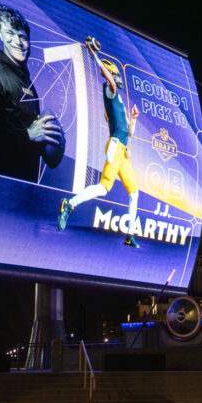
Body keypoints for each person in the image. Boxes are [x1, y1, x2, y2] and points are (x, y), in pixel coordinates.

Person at [58, 37, 141, 247]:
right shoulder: (109, 90)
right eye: (114, 75)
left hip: (123, 152)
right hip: (115, 146)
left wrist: (134, 119)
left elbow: (129, 133)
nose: (117, 79)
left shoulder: (119, 100)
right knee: (104, 188)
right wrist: (94, 56)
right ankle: (69, 203)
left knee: (134, 192)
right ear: (110, 75)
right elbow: (109, 79)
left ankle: (130, 235)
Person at [0, 4, 63, 181]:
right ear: (0, 33)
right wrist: (27, 135)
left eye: (22, 36)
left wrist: (53, 139)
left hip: (23, 189)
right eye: (10, 34)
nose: (18, 42)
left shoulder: (28, 84)